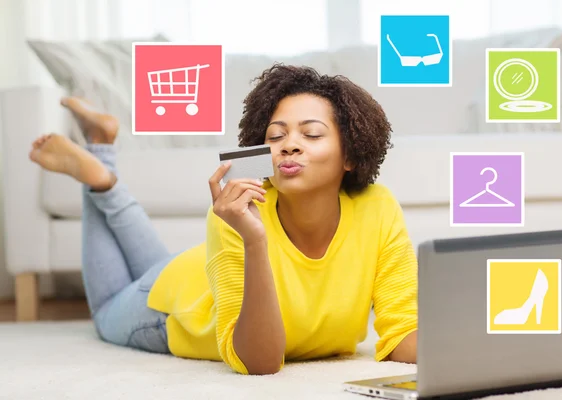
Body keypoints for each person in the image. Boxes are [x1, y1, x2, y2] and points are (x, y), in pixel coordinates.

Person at [28, 64, 418, 375]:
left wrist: (469, 341)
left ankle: (100, 145)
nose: (290, 144)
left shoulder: (378, 208)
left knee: (151, 268)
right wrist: (254, 239)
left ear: (350, 156)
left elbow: (401, 334)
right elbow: (259, 362)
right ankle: (99, 176)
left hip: (192, 273)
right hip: (169, 310)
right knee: (107, 311)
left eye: (312, 134)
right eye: (276, 135)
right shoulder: (240, 210)